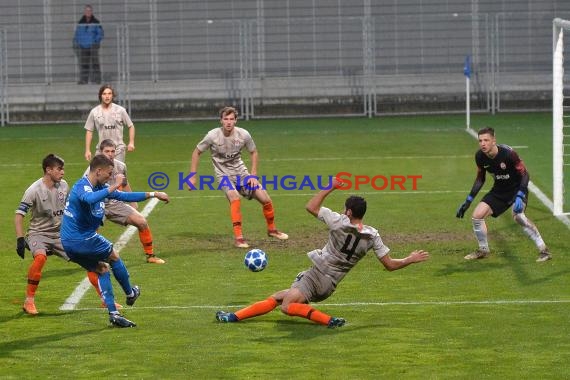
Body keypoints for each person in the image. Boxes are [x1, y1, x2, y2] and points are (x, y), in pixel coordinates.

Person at [215, 178, 429, 328]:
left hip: (316, 276)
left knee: (287, 306)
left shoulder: (338, 223)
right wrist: (410, 259)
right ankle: (232, 317)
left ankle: (329, 321)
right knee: (278, 298)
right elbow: (390, 265)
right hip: (330, 286)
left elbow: (311, 206)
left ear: (349, 212)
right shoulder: (373, 236)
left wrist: (330, 186)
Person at [61, 155, 169, 327]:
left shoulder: (101, 186)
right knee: (114, 256)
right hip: (82, 239)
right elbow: (89, 199)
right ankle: (130, 293)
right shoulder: (81, 186)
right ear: (98, 171)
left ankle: (114, 314)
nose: (110, 176)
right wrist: (115, 184)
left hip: (69, 244)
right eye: (109, 173)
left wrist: (154, 194)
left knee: (102, 269)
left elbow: (124, 197)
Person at [14, 154, 104, 315]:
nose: (63, 172)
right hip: (38, 233)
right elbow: (19, 215)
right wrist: (20, 239)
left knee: (89, 260)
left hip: (61, 234)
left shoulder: (64, 186)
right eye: (59, 169)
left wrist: (89, 217)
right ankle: (29, 301)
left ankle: (105, 300)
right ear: (48, 170)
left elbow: (72, 207)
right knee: (40, 258)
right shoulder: (33, 190)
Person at [188, 106, 288, 248]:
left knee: (265, 199)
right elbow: (196, 152)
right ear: (221, 121)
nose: (228, 122)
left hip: (241, 173)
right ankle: (239, 238)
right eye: (225, 119)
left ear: (236, 120)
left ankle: (272, 230)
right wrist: (192, 176)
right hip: (223, 175)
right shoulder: (212, 135)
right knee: (235, 197)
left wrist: (253, 176)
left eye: (231, 119)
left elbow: (254, 152)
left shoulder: (244, 135)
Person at [456, 127, 551, 262]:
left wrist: (520, 194)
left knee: (518, 217)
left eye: (486, 140)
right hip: (499, 190)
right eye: (480, 140)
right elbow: (480, 179)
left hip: (517, 188)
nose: (483, 143)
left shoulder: (508, 154)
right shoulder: (479, 157)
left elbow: (525, 174)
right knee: (477, 216)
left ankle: (544, 250)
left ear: (494, 140)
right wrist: (468, 200)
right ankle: (483, 250)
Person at [83, 138, 166, 264]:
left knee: (141, 222)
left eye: (112, 151)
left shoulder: (121, 166)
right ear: (100, 152)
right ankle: (91, 261)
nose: (110, 154)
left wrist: (133, 202)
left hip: (115, 203)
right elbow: (86, 191)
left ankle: (150, 256)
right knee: (92, 232)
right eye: (107, 151)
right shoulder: (92, 170)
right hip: (97, 204)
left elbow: (125, 183)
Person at [84, 84, 135, 163]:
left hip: (118, 150)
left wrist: (131, 142)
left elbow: (131, 126)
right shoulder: (94, 112)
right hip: (101, 150)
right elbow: (89, 131)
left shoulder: (120, 110)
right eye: (104, 94)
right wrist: (87, 150)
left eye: (109, 93)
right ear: (100, 96)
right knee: (99, 174)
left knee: (117, 174)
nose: (107, 96)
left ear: (112, 96)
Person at [73, 4, 103, 84]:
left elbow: (100, 33)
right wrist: (79, 42)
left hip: (92, 45)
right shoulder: (80, 22)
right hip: (83, 46)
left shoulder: (96, 22)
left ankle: (97, 80)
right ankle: (84, 80)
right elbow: (77, 34)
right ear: (84, 12)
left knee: (95, 63)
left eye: (89, 10)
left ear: (91, 12)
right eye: (87, 10)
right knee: (84, 64)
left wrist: (95, 41)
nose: (88, 12)